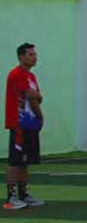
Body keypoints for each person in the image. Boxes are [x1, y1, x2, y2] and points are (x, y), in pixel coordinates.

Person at [5, 42, 45, 210]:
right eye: (30, 54)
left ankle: (23, 193)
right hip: (19, 123)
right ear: (21, 56)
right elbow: (30, 96)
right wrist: (41, 115)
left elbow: (37, 97)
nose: (34, 57)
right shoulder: (16, 74)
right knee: (15, 161)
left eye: (35, 54)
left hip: (30, 125)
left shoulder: (31, 77)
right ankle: (11, 197)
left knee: (25, 161)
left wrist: (37, 96)